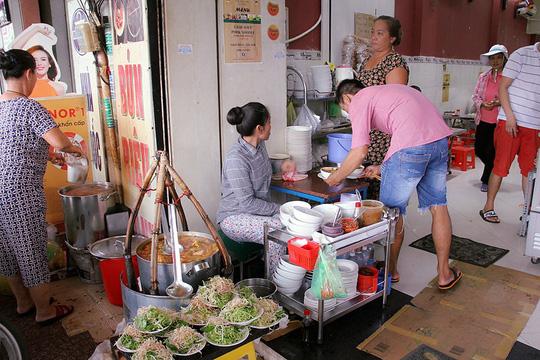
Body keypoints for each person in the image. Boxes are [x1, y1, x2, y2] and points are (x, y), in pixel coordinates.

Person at [326, 79, 461, 289]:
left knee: (391, 213)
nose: (350, 114)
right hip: (440, 142)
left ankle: (391, 271)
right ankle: (444, 273)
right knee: (438, 206)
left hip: (413, 148)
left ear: (347, 98)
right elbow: (411, 132)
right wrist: (382, 167)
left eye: (345, 110)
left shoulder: (359, 99)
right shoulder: (388, 93)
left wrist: (335, 177)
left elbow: (359, 151)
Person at [0, 49, 83, 324]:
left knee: (7, 250)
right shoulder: (28, 106)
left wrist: (46, 154)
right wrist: (74, 150)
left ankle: (24, 304)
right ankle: (45, 311)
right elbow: (61, 142)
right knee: (30, 250)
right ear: (28, 73)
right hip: (20, 192)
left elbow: (14, 145)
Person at [216, 102, 284, 273]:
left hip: (255, 213)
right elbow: (248, 204)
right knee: (276, 231)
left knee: (293, 222)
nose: (271, 126)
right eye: (269, 123)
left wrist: (282, 166)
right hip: (234, 217)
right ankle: (275, 285)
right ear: (259, 128)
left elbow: (263, 168)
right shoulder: (236, 159)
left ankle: (273, 268)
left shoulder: (260, 145)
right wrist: (280, 208)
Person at [480, 42, 540, 223]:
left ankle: (528, 212)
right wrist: (510, 116)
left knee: (529, 171)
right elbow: (503, 87)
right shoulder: (522, 54)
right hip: (510, 122)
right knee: (500, 166)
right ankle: (488, 207)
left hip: (534, 126)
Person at [355, 15, 409, 198]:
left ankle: (390, 226)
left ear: (392, 38)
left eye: (380, 33)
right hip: (366, 130)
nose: (374, 37)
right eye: (372, 32)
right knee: (364, 185)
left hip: (385, 136)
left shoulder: (394, 62)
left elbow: (397, 103)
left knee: (385, 190)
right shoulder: (366, 62)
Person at [472, 44, 508, 193]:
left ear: (504, 59)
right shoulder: (484, 77)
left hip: (499, 122)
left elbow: (510, 97)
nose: (495, 61)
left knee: (491, 151)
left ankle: (486, 179)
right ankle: (495, 169)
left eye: (499, 58)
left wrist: (499, 102)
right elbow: (475, 96)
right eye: (492, 58)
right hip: (483, 120)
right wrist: (482, 104)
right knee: (479, 150)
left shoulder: (507, 78)